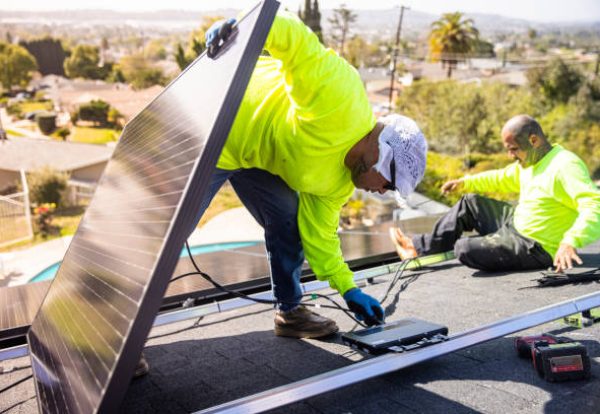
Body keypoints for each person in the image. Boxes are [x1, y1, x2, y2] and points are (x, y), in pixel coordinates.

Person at [197, 11, 427, 338]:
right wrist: (242, 29)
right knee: (170, 232)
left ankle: (290, 313)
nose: (383, 192)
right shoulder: (341, 99)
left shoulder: (337, 186)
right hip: (217, 121)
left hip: (256, 156)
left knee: (290, 221)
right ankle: (119, 343)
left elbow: (320, 238)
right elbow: (296, 42)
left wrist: (350, 291)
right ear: (380, 154)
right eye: (389, 184)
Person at [390, 114, 600, 274]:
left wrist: (571, 241)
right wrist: (464, 183)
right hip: (516, 222)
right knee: (469, 203)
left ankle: (497, 243)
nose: (510, 155)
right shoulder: (531, 161)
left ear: (534, 140)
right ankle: (418, 249)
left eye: (513, 149)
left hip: (536, 246)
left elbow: (594, 206)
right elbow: (502, 177)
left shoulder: (565, 166)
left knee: (463, 248)